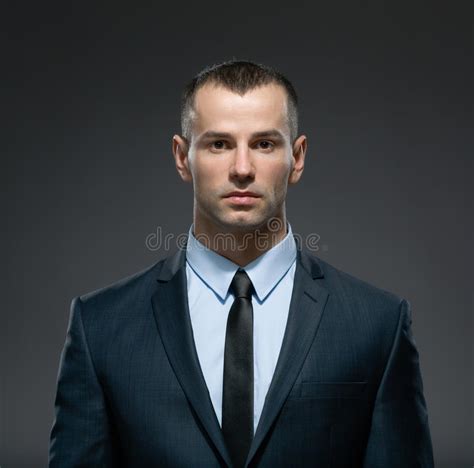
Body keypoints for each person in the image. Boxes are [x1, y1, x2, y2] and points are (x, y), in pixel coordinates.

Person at [48, 60, 434, 467]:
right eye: (219, 144)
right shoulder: (101, 326)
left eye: (264, 144)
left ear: (297, 157)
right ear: (182, 157)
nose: (243, 169)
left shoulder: (377, 324)